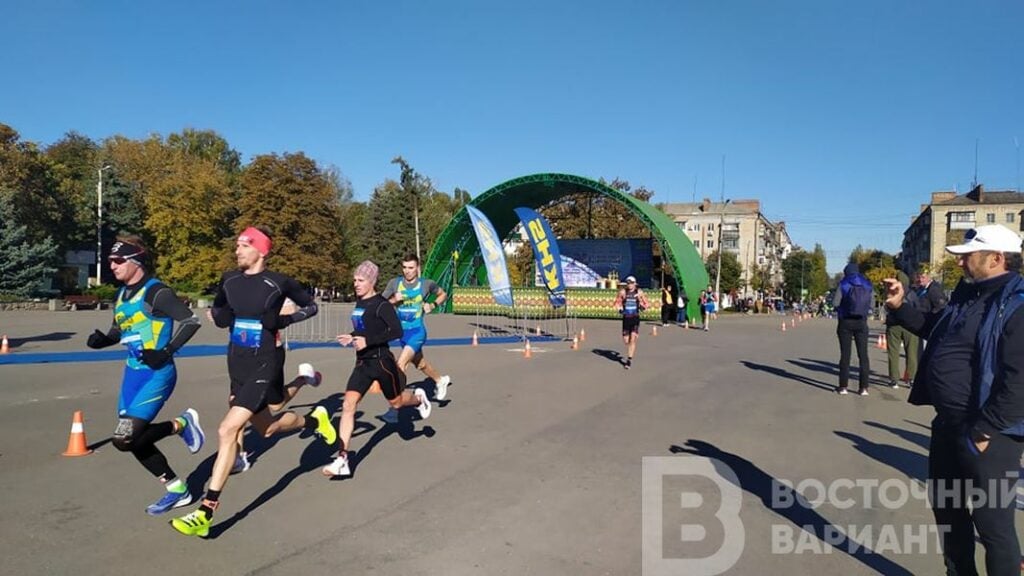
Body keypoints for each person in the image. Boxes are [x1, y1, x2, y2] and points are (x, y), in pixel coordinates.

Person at [171, 226, 335, 537]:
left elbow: (311, 306)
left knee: (227, 428)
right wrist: (220, 317)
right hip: (237, 362)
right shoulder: (229, 279)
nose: (237, 251)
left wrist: (286, 319)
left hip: (266, 361)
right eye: (237, 246)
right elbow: (221, 309)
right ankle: (315, 421)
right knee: (268, 427)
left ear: (261, 250)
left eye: (244, 245)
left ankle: (206, 510)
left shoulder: (278, 282)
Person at [885, 225, 1024, 576]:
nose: (960, 263)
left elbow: (1019, 380)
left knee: (993, 526)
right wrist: (901, 304)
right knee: (948, 513)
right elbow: (934, 327)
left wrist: (984, 429)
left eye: (968, 256)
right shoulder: (968, 295)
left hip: (989, 433)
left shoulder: (1016, 303)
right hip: (948, 425)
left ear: (996, 258)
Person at [85, 235, 205, 515]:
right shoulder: (121, 294)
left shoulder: (156, 292)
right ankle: (177, 489)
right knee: (131, 440)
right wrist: (104, 339)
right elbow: (120, 330)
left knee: (123, 438)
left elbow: (191, 321)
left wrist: (167, 350)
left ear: (135, 261)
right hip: (132, 375)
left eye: (117, 261)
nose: (112, 266)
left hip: (157, 373)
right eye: (110, 261)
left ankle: (182, 425)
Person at [321, 260, 432, 477]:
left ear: (372, 281)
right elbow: (365, 328)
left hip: (382, 363)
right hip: (362, 363)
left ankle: (419, 398)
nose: (356, 284)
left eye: (360, 280)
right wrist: (351, 336)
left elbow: (396, 331)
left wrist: (367, 341)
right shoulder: (360, 303)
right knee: (348, 405)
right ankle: (342, 458)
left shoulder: (382, 304)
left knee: (397, 402)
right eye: (355, 280)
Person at [378, 254, 450, 424]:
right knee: (420, 364)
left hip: (418, 332)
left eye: (411, 268)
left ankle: (394, 409)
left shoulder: (426, 284)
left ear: (417, 268)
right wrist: (395, 300)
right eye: (404, 267)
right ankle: (441, 380)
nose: (407, 271)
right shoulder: (395, 283)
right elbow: (380, 303)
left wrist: (432, 305)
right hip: (402, 333)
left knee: (400, 365)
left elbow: (443, 294)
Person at [833, 262, 874, 396]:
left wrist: (841, 309)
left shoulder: (843, 284)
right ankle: (864, 388)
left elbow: (835, 303)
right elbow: (871, 305)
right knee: (863, 356)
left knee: (845, 355)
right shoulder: (867, 284)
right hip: (861, 323)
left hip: (845, 322)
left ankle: (843, 387)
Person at [885, 269, 918, 389]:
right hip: (910, 326)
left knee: (893, 353)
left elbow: (887, 306)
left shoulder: (891, 291)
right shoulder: (912, 293)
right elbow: (917, 308)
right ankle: (911, 378)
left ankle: (894, 379)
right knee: (911, 353)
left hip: (894, 325)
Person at [613, 275, 649, 369]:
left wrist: (642, 307)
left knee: (632, 340)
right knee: (626, 340)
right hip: (626, 318)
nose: (629, 285)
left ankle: (629, 360)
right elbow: (616, 303)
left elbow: (647, 304)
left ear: (635, 284)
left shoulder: (639, 292)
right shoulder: (623, 292)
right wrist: (620, 309)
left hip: (635, 318)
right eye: (628, 283)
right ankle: (630, 346)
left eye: (631, 283)